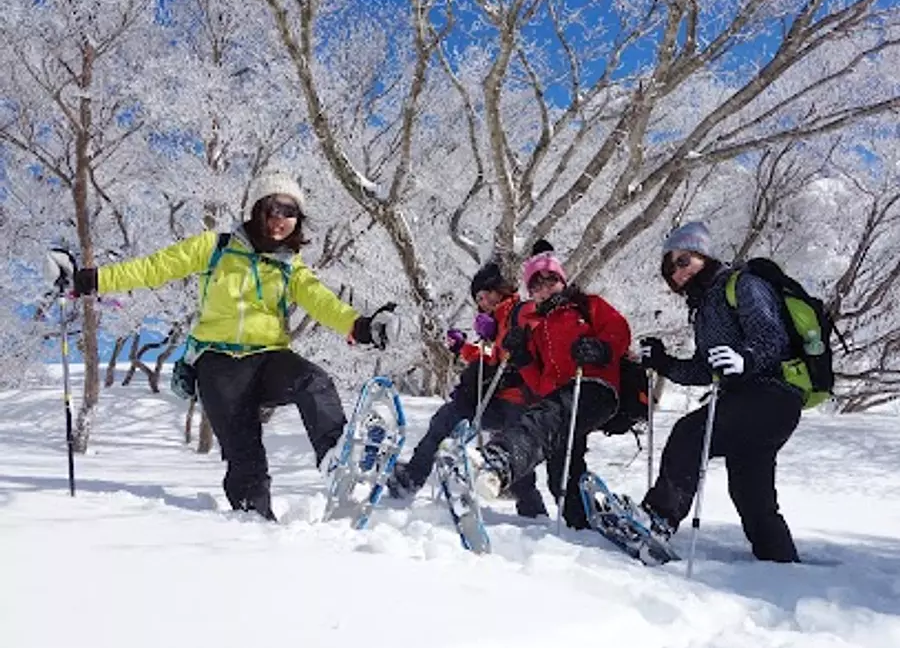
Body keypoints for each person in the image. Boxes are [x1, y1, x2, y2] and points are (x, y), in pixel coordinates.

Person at [45, 171, 395, 522]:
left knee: (313, 380)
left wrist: (359, 326)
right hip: (218, 364)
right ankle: (256, 530)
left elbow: (322, 301)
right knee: (247, 461)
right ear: (257, 209)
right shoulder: (215, 248)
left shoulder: (291, 267)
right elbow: (154, 268)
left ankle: (336, 458)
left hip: (269, 358)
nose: (279, 220)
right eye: (272, 209)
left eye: (289, 212)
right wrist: (91, 279)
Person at [637, 221, 803, 562]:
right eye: (670, 268)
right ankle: (782, 564)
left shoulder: (743, 285)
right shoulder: (702, 310)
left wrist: (746, 357)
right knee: (749, 490)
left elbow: (772, 337)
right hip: (749, 404)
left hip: (773, 395)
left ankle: (657, 519)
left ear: (704, 255)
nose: (677, 272)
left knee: (690, 432)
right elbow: (704, 369)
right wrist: (664, 363)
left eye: (684, 261)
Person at [472, 245, 632, 530]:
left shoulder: (587, 305)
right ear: (531, 292)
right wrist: (522, 360)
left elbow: (619, 329)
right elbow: (540, 383)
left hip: (595, 387)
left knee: (547, 417)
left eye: (551, 281)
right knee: (561, 470)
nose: (546, 289)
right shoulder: (538, 328)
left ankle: (501, 461)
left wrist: (601, 347)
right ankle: (583, 522)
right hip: (560, 398)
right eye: (537, 285)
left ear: (563, 281)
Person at [387, 261, 547, 519]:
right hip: (496, 398)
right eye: (478, 299)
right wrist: (463, 348)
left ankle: (533, 513)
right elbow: (491, 357)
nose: (482, 303)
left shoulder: (521, 311)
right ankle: (412, 478)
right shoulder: (496, 322)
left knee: (517, 457)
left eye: (484, 296)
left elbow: (529, 340)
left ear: (498, 290)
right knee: (445, 420)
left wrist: (509, 340)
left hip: (520, 398)